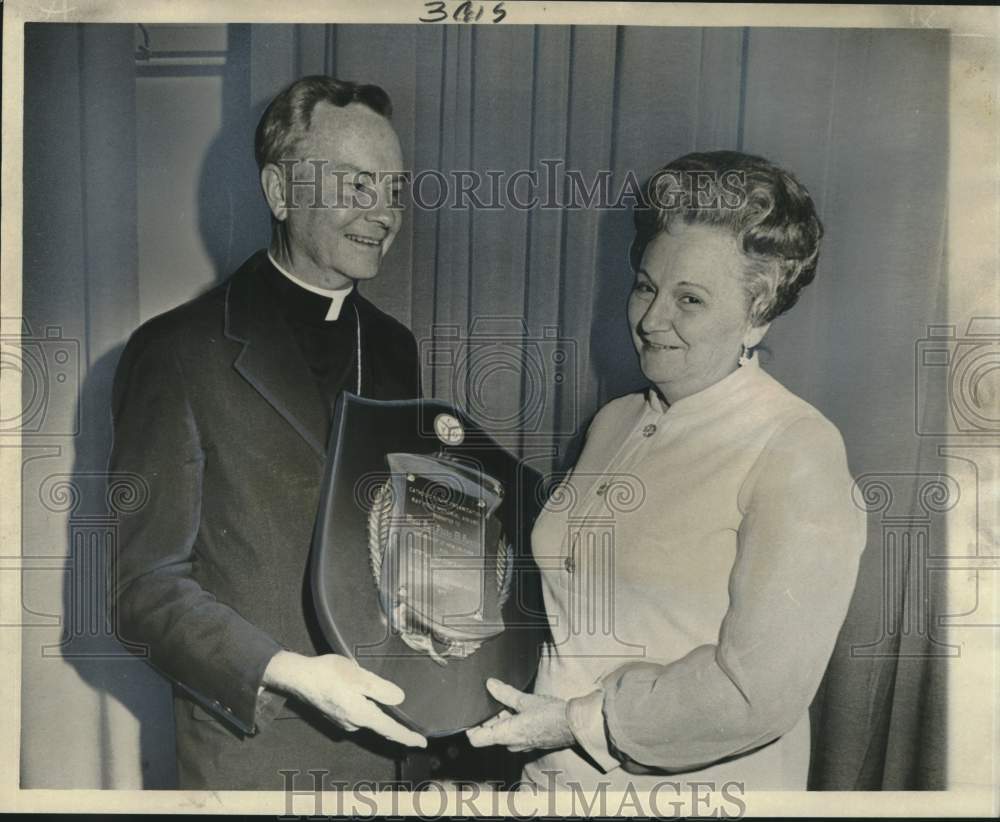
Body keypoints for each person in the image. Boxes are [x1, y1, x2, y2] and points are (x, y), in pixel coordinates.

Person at [467, 151, 867, 791]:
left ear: (757, 314)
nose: (652, 320)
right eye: (646, 286)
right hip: (547, 781)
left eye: (691, 299)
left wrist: (575, 723)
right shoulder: (615, 421)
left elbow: (754, 693)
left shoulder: (797, 449)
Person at [110, 76, 428, 790]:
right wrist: (291, 675)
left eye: (395, 189)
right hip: (256, 754)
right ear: (280, 193)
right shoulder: (176, 351)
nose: (383, 214)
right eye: (355, 186)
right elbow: (144, 591)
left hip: (392, 747)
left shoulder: (393, 347)